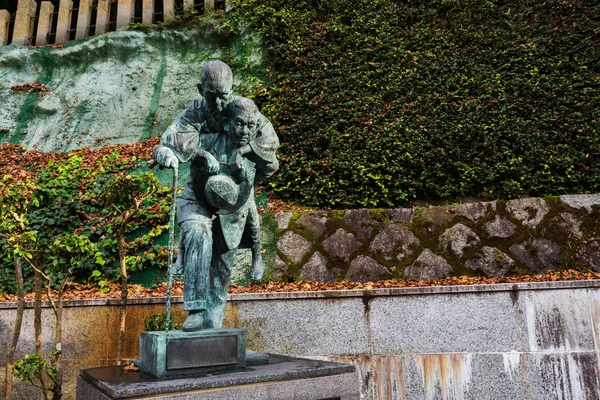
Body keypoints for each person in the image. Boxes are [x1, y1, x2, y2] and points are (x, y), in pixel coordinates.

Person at [152, 61, 278, 331]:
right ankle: (195, 309)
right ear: (201, 90)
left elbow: (270, 146)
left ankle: (213, 325)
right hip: (197, 196)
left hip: (233, 202)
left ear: (233, 89)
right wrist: (197, 154)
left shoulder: (243, 110)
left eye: (224, 95)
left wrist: (246, 154)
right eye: (212, 96)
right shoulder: (195, 112)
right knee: (199, 234)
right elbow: (172, 139)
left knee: (222, 269)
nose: (219, 103)